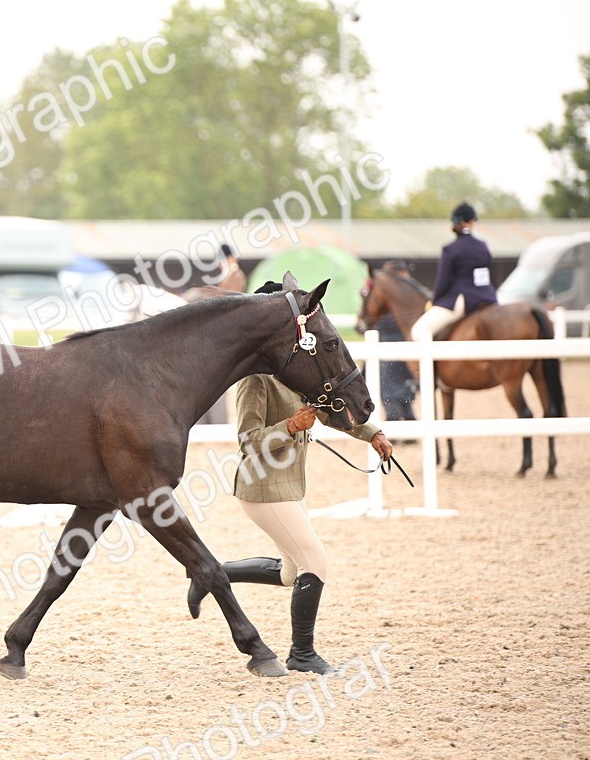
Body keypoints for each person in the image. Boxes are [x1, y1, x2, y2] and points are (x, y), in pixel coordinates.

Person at [186, 282, 394, 674]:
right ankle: (302, 654)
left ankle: (211, 574)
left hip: (288, 482)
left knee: (289, 573)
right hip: (262, 486)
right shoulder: (255, 380)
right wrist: (291, 426)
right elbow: (248, 442)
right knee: (315, 560)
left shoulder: (297, 368)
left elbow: (330, 406)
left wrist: (372, 435)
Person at [410, 202, 497, 344]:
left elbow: (443, 281)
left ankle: (428, 367)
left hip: (463, 299)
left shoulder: (451, 249)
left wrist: (434, 301)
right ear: (472, 222)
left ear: (456, 223)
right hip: (488, 297)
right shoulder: (483, 246)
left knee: (419, 331)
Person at [375, 260, 418, 422]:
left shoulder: (386, 296)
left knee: (390, 386)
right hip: (403, 345)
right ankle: (408, 418)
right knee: (403, 385)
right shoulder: (409, 293)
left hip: (388, 345)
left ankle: (396, 419)